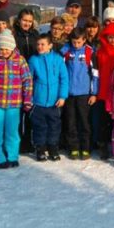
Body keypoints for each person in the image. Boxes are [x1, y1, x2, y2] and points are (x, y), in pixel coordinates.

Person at [0, 30, 33, 168]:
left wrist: (27, 99)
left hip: (14, 104)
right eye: (1, 48)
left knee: (12, 132)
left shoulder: (20, 60)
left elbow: (27, 80)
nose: (3, 51)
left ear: (12, 47)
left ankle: (12, 156)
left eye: (6, 49)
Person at [28, 34, 69, 162]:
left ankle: (53, 148)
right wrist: (29, 99)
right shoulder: (34, 60)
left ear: (50, 45)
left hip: (54, 103)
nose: (40, 47)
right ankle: (40, 149)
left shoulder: (57, 59)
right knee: (39, 127)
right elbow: (28, 81)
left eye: (43, 44)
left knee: (54, 126)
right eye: (38, 44)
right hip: (38, 102)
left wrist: (62, 96)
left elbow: (64, 79)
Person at [60, 28, 99, 160]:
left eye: (79, 42)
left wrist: (94, 93)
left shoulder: (89, 52)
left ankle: (86, 147)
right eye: (74, 42)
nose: (76, 44)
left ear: (84, 40)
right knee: (71, 122)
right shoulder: (66, 51)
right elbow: (61, 71)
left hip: (84, 93)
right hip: (69, 93)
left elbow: (95, 74)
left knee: (84, 121)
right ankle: (74, 148)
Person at [95, 21, 114, 160]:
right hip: (103, 91)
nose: (112, 40)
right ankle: (103, 146)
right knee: (103, 122)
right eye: (110, 37)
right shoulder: (100, 52)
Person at [13, 7, 40, 154]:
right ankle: (16, 141)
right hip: (16, 78)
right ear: (19, 20)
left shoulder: (35, 35)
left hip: (32, 78)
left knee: (29, 111)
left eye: (30, 21)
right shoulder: (14, 35)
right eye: (25, 20)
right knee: (18, 113)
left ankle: (27, 142)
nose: (27, 23)